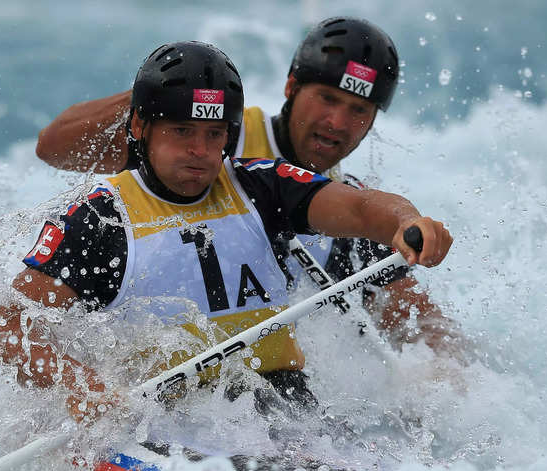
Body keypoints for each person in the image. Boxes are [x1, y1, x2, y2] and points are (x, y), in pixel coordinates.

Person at [0, 40, 453, 427]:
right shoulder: (99, 219)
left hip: (282, 403)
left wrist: (407, 219)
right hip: (162, 416)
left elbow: (357, 206)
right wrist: (80, 385)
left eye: (215, 135)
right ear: (139, 126)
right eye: (181, 130)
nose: (199, 151)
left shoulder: (264, 185)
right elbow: (11, 328)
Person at [34, 17, 465, 360]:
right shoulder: (211, 142)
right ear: (291, 86)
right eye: (327, 99)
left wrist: (446, 378)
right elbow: (54, 148)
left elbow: (419, 322)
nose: (336, 123)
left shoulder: (345, 207)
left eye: (357, 109)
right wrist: (166, 85)